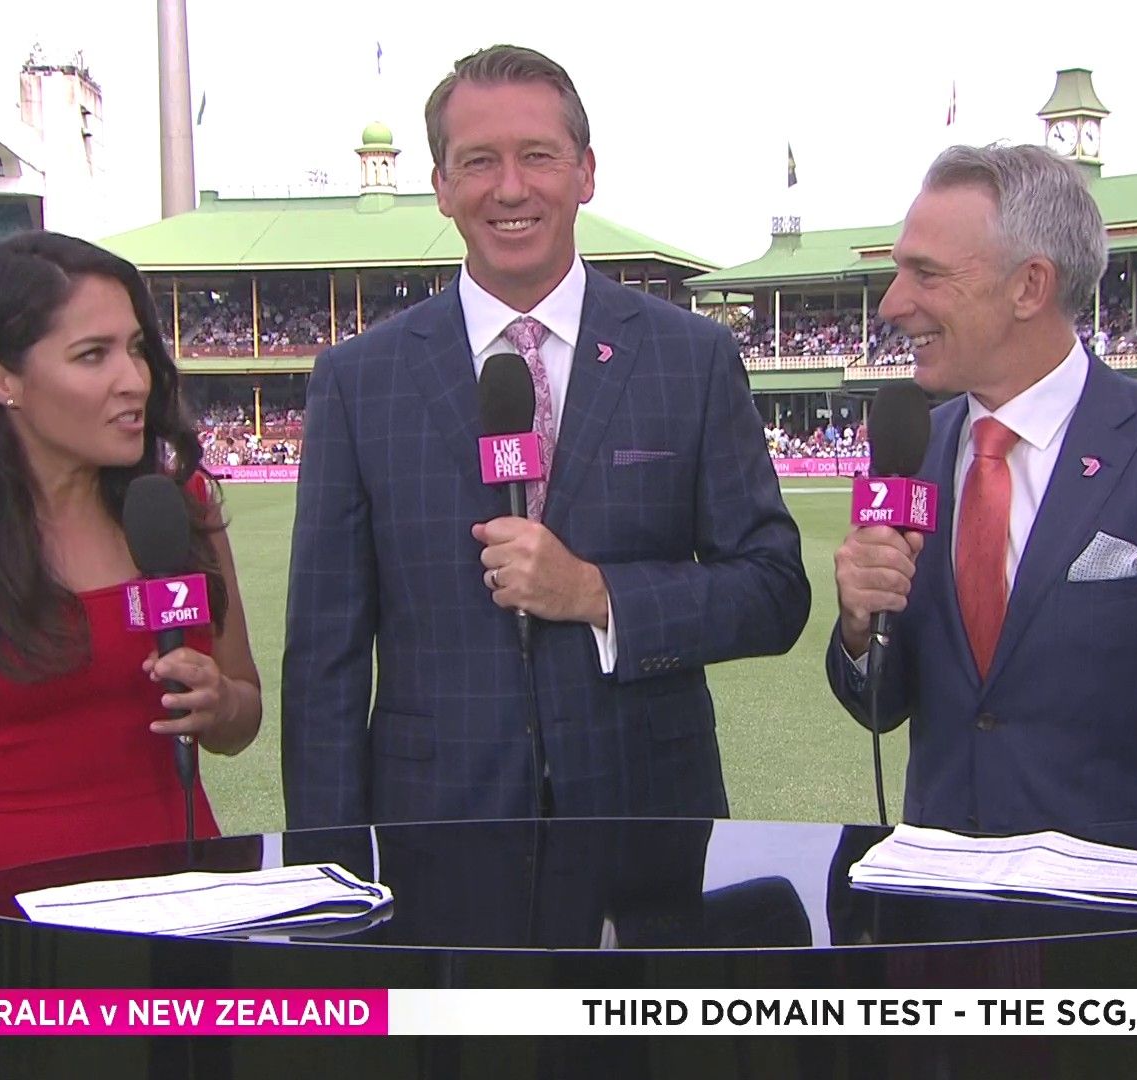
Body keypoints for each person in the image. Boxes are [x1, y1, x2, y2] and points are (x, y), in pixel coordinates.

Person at [283, 45, 809, 829]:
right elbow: (323, 663)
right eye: (478, 161)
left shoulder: (690, 358)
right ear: (441, 187)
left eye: (538, 155)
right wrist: (329, 867)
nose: (510, 188)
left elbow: (774, 593)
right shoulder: (359, 381)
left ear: (585, 172)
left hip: (646, 820)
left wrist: (597, 595)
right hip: (438, 828)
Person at [826, 144, 1137, 893]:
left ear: (1029, 285)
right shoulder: (913, 452)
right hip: (941, 911)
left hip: (1128, 930)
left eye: (926, 274)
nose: (892, 305)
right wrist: (858, 627)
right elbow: (886, 702)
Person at [0, 231, 264, 893]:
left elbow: (243, 715)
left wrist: (222, 703)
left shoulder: (180, 509)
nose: (135, 380)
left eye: (137, 349)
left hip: (179, 902)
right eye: (93, 355)